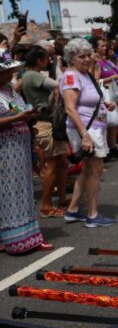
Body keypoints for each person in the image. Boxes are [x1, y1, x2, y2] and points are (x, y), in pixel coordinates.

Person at [61, 38, 116, 228]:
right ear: (71, 58)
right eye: (81, 56)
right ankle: (93, 214)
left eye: (88, 55)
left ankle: (73, 209)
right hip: (86, 129)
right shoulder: (71, 76)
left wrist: (105, 104)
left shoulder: (84, 74)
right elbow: (70, 108)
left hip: (94, 127)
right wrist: (85, 134)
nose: (86, 59)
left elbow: (87, 99)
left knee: (88, 170)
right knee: (95, 171)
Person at [0, 52, 50, 254]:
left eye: (10, 70)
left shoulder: (10, 89)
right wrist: (18, 118)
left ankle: (25, 236)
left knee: (22, 190)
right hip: (5, 149)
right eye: (5, 71)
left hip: (19, 148)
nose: (10, 74)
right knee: (9, 192)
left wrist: (30, 114)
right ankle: (14, 239)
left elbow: (19, 110)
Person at [21, 45, 69, 219]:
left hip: (49, 120)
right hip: (45, 121)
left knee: (62, 162)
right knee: (53, 164)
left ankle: (62, 200)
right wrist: (60, 69)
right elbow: (60, 84)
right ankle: (47, 206)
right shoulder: (32, 75)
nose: (48, 60)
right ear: (38, 60)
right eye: (46, 58)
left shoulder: (30, 75)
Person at [91, 37, 118, 159]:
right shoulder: (96, 63)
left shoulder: (106, 61)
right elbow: (96, 81)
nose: (105, 48)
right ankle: (105, 149)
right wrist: (111, 78)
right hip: (103, 93)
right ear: (96, 48)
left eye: (105, 46)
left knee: (112, 122)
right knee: (104, 122)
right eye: (102, 46)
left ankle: (112, 147)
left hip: (111, 93)